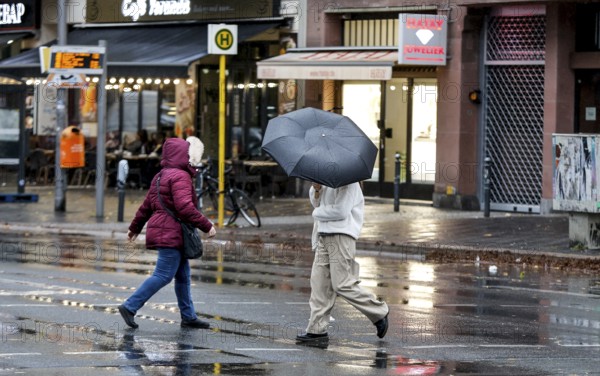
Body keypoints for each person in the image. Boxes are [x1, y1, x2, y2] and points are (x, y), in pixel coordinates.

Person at [118, 136, 217, 330]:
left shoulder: (161, 175)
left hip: (170, 232)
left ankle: (188, 316)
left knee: (183, 276)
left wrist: (135, 227)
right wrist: (207, 225)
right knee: (163, 275)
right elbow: (184, 207)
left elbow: (146, 206)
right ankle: (130, 306)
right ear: (183, 155)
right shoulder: (180, 176)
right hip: (171, 233)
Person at [296, 182, 389, 343]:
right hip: (323, 235)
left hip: (341, 235)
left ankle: (378, 311)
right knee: (320, 284)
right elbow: (317, 202)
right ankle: (316, 330)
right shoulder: (327, 180)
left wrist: (316, 213)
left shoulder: (349, 183)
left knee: (342, 283)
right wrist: (317, 189)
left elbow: (341, 211)